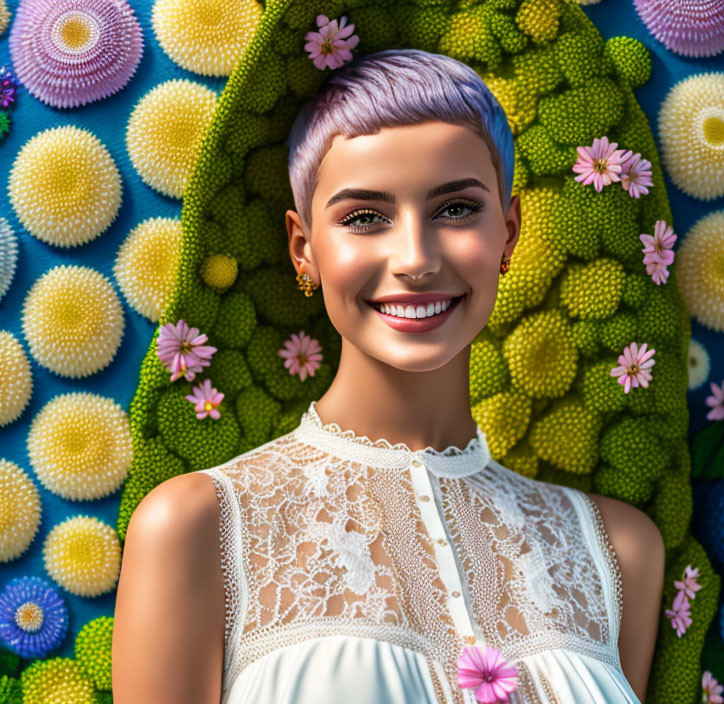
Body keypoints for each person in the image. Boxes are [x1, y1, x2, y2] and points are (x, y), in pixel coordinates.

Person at [111, 48, 664, 704]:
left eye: (455, 209)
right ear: (304, 250)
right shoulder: (197, 528)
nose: (415, 260)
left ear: (508, 232)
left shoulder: (619, 554)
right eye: (365, 218)